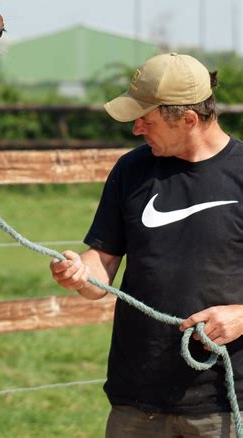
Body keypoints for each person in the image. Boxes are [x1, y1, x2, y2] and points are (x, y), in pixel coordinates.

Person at [50, 52, 243, 437]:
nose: (137, 129)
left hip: (225, 405)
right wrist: (79, 272)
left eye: (147, 119)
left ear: (189, 119)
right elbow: (101, 263)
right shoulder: (131, 170)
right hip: (136, 400)